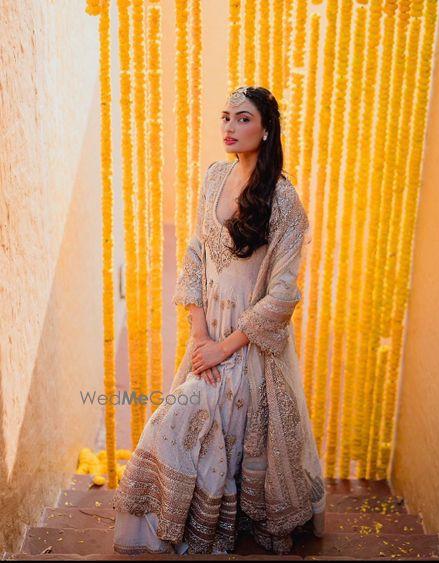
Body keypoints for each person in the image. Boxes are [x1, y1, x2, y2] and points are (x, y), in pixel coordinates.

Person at [112, 85, 326, 556]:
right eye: (226, 117)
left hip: (248, 344)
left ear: (266, 130)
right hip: (207, 335)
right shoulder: (213, 178)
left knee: (222, 433)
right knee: (186, 421)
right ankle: (168, 524)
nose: (229, 127)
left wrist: (224, 346)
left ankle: (223, 528)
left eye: (243, 118)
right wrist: (199, 334)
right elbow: (196, 254)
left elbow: (283, 295)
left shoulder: (285, 202)